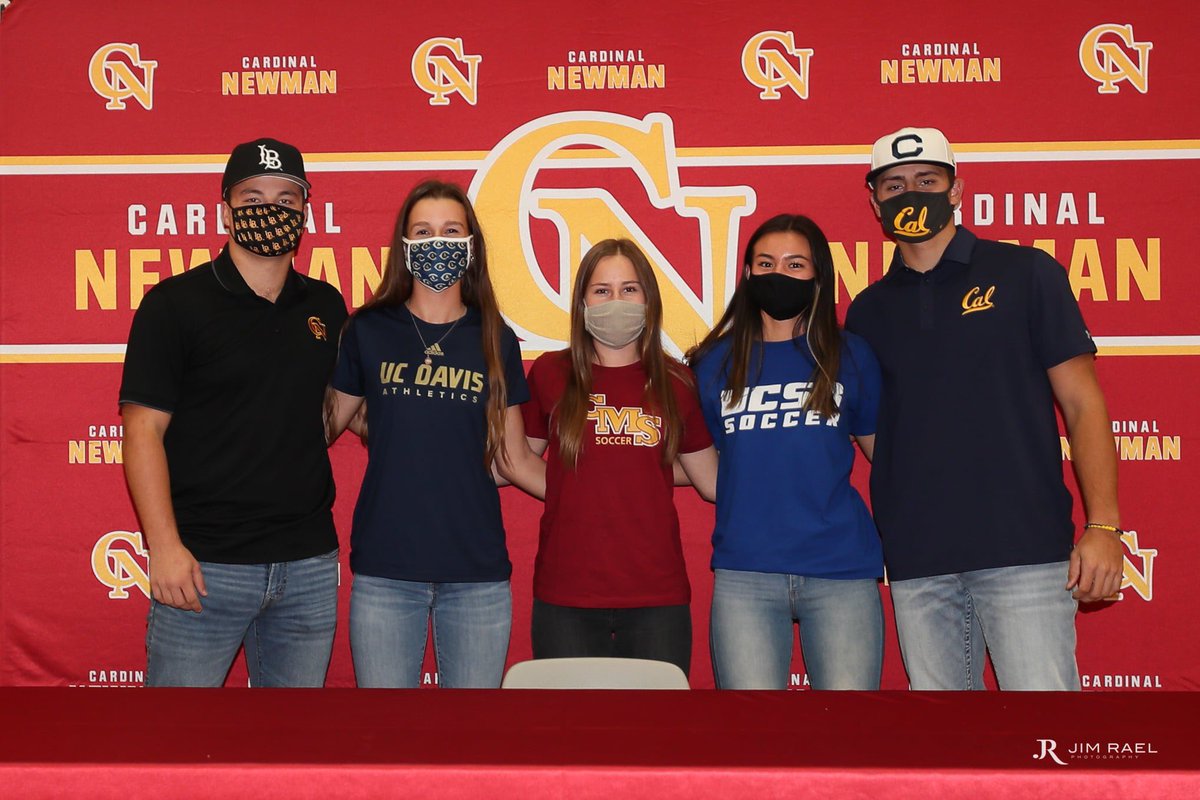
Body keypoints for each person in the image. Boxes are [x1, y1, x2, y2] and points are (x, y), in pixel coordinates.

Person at [845, 127, 1123, 690]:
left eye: (927, 180)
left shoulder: (1026, 272)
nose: (910, 194)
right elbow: (876, 432)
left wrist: (1104, 525)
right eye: (894, 185)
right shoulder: (867, 311)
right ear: (874, 202)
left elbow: (1082, 402)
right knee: (945, 742)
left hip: (1024, 549)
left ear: (956, 190)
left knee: (1045, 735)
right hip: (918, 559)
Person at [120, 137, 347, 687]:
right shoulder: (174, 304)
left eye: (286, 199)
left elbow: (325, 420)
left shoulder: (327, 305)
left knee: (292, 740)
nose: (271, 210)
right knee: (177, 735)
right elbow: (143, 431)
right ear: (225, 210)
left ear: (306, 210)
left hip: (308, 567)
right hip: (204, 566)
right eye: (252, 198)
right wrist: (164, 547)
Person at [326, 179, 544, 688]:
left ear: (471, 244)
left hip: (475, 573)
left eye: (450, 231)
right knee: (386, 731)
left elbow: (515, 460)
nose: (437, 243)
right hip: (386, 570)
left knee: (473, 734)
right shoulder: (369, 329)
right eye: (423, 232)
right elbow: (325, 425)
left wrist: (595, 497)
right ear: (404, 244)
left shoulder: (495, 336)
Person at [689, 215, 884, 690]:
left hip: (840, 569)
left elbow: (886, 457)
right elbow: (699, 463)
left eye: (796, 264)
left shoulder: (850, 355)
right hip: (745, 573)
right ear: (748, 273)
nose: (779, 274)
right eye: (766, 263)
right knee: (752, 731)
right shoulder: (713, 363)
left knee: (847, 728)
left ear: (818, 275)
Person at [521, 239, 716, 677]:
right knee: (568, 722)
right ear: (582, 302)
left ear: (649, 299)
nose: (616, 301)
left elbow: (709, 479)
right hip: (566, 592)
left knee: (657, 722)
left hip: (656, 594)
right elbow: (516, 460)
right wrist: (577, 488)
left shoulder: (677, 380)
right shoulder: (550, 372)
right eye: (601, 290)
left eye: (629, 289)